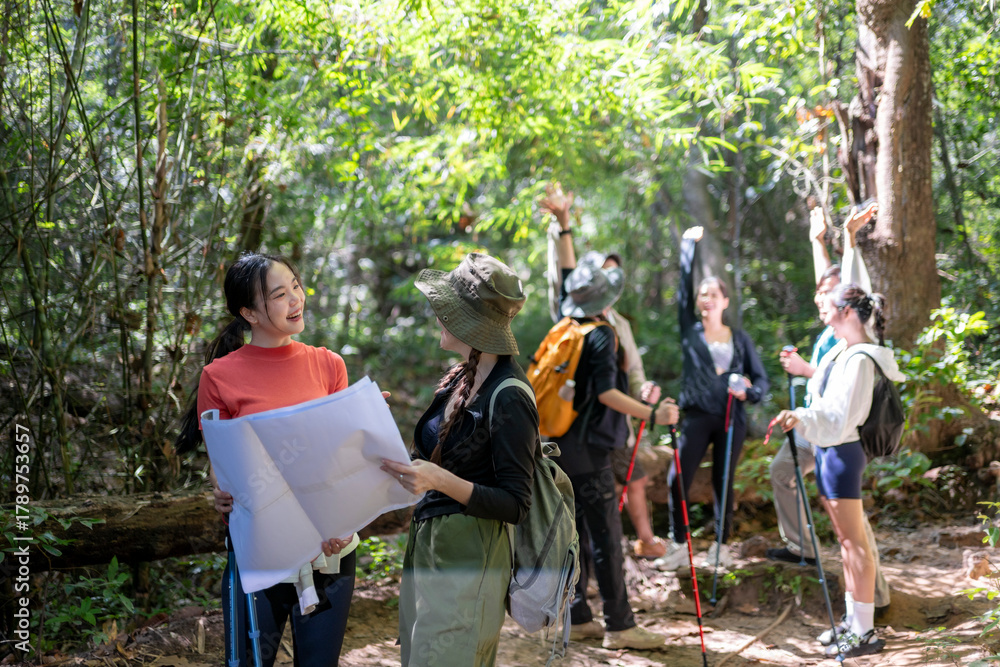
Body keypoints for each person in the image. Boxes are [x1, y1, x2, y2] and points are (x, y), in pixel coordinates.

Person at [176, 252, 358, 667]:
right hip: (260, 550)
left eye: (296, 286)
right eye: (279, 294)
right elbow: (221, 465)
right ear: (249, 313)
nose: (296, 299)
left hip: (329, 549)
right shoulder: (218, 377)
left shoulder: (328, 364)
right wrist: (221, 489)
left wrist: (342, 521)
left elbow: (342, 461)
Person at [380, 253, 537, 667]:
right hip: (431, 547)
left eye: (444, 307)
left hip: (471, 559)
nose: (437, 314)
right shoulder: (462, 377)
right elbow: (430, 459)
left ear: (467, 320)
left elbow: (516, 504)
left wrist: (438, 480)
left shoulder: (509, 395)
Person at [548, 251, 679, 650]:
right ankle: (620, 625)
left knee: (575, 534)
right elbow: (606, 393)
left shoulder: (568, 328)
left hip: (561, 446)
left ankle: (578, 617)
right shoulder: (602, 334)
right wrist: (654, 414)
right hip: (590, 450)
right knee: (606, 536)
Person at [767, 202, 891, 611]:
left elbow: (849, 285)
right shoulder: (831, 331)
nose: (822, 298)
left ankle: (873, 604)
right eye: (821, 294)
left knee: (852, 529)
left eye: (831, 296)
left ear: (847, 307)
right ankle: (804, 550)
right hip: (817, 430)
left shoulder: (850, 335)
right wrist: (817, 240)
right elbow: (829, 283)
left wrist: (805, 372)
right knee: (786, 474)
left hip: (839, 436)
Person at [540, 182, 669, 559]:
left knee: (628, 484)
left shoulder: (619, 325)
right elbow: (566, 270)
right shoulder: (574, 317)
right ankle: (588, 579)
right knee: (585, 512)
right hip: (582, 429)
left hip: (615, 427)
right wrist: (563, 224)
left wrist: (643, 392)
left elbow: (633, 373)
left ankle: (639, 545)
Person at [775, 281, 902, 659]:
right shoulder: (841, 351)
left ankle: (864, 632)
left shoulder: (861, 359)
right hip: (830, 453)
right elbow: (826, 403)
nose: (824, 314)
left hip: (843, 454)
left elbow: (841, 418)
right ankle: (852, 621)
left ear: (847, 312)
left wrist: (800, 417)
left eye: (829, 307)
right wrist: (801, 415)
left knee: (854, 544)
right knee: (846, 544)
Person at [655, 226, 769, 571]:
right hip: (697, 415)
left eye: (714, 294)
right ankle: (679, 544)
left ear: (725, 301)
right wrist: (688, 248)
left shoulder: (739, 338)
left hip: (731, 417)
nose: (707, 298)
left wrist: (749, 392)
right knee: (677, 477)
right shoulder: (690, 331)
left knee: (723, 481)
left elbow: (761, 380)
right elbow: (683, 294)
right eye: (703, 294)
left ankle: (721, 545)